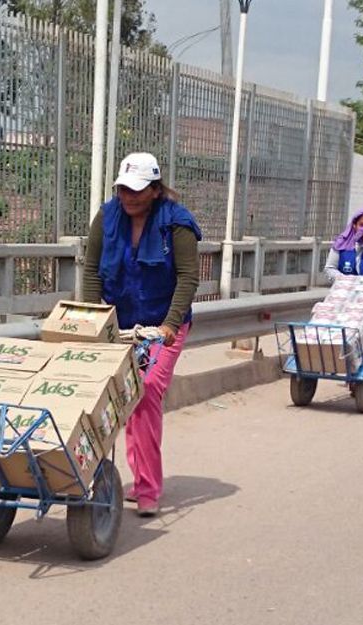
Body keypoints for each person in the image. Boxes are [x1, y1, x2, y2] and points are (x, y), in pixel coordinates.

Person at [82, 152, 201, 517]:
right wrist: (91, 321)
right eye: (123, 190)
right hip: (121, 323)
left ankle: (148, 488)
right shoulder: (107, 217)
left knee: (146, 392)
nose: (129, 197)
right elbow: (91, 273)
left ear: (154, 189)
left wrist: (168, 326)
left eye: (137, 191)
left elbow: (188, 278)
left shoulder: (176, 224)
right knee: (109, 395)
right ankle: (89, 475)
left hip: (163, 324)